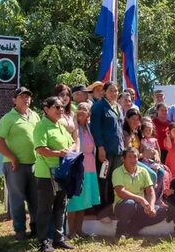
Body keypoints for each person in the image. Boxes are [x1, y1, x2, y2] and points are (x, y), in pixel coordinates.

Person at [0, 86, 40, 240]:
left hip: (34, 164)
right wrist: (12, 157)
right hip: (15, 165)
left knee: (35, 198)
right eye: (21, 97)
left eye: (28, 96)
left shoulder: (35, 116)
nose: (26, 99)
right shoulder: (8, 118)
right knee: (17, 198)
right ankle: (19, 231)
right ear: (14, 100)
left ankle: (36, 227)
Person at [33, 96, 77, 252]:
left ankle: (58, 239)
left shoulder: (60, 125)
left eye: (62, 107)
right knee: (45, 208)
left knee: (60, 206)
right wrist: (59, 153)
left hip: (62, 173)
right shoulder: (41, 126)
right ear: (46, 109)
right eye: (56, 107)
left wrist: (69, 151)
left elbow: (72, 142)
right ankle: (44, 241)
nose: (61, 110)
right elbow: (40, 148)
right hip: (46, 174)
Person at [112, 147, 167, 238]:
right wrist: (141, 199)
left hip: (140, 206)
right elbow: (120, 192)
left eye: (135, 157)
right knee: (130, 203)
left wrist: (152, 206)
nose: (133, 160)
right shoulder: (117, 172)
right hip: (122, 206)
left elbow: (150, 191)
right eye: (130, 157)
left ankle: (133, 228)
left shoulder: (143, 171)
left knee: (162, 211)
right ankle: (120, 231)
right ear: (123, 159)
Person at [90, 81, 125, 221]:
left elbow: (120, 130)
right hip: (105, 151)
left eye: (116, 91)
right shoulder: (99, 107)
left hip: (117, 151)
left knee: (114, 180)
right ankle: (102, 212)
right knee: (103, 180)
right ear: (104, 92)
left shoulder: (118, 107)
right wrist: (100, 147)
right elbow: (95, 128)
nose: (114, 93)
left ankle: (111, 209)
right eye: (111, 90)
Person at [66, 102, 100, 238]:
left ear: (89, 114)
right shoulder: (73, 128)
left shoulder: (89, 128)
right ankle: (71, 232)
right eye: (79, 108)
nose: (81, 111)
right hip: (78, 167)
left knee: (84, 200)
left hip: (90, 167)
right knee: (74, 201)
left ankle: (79, 230)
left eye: (84, 109)